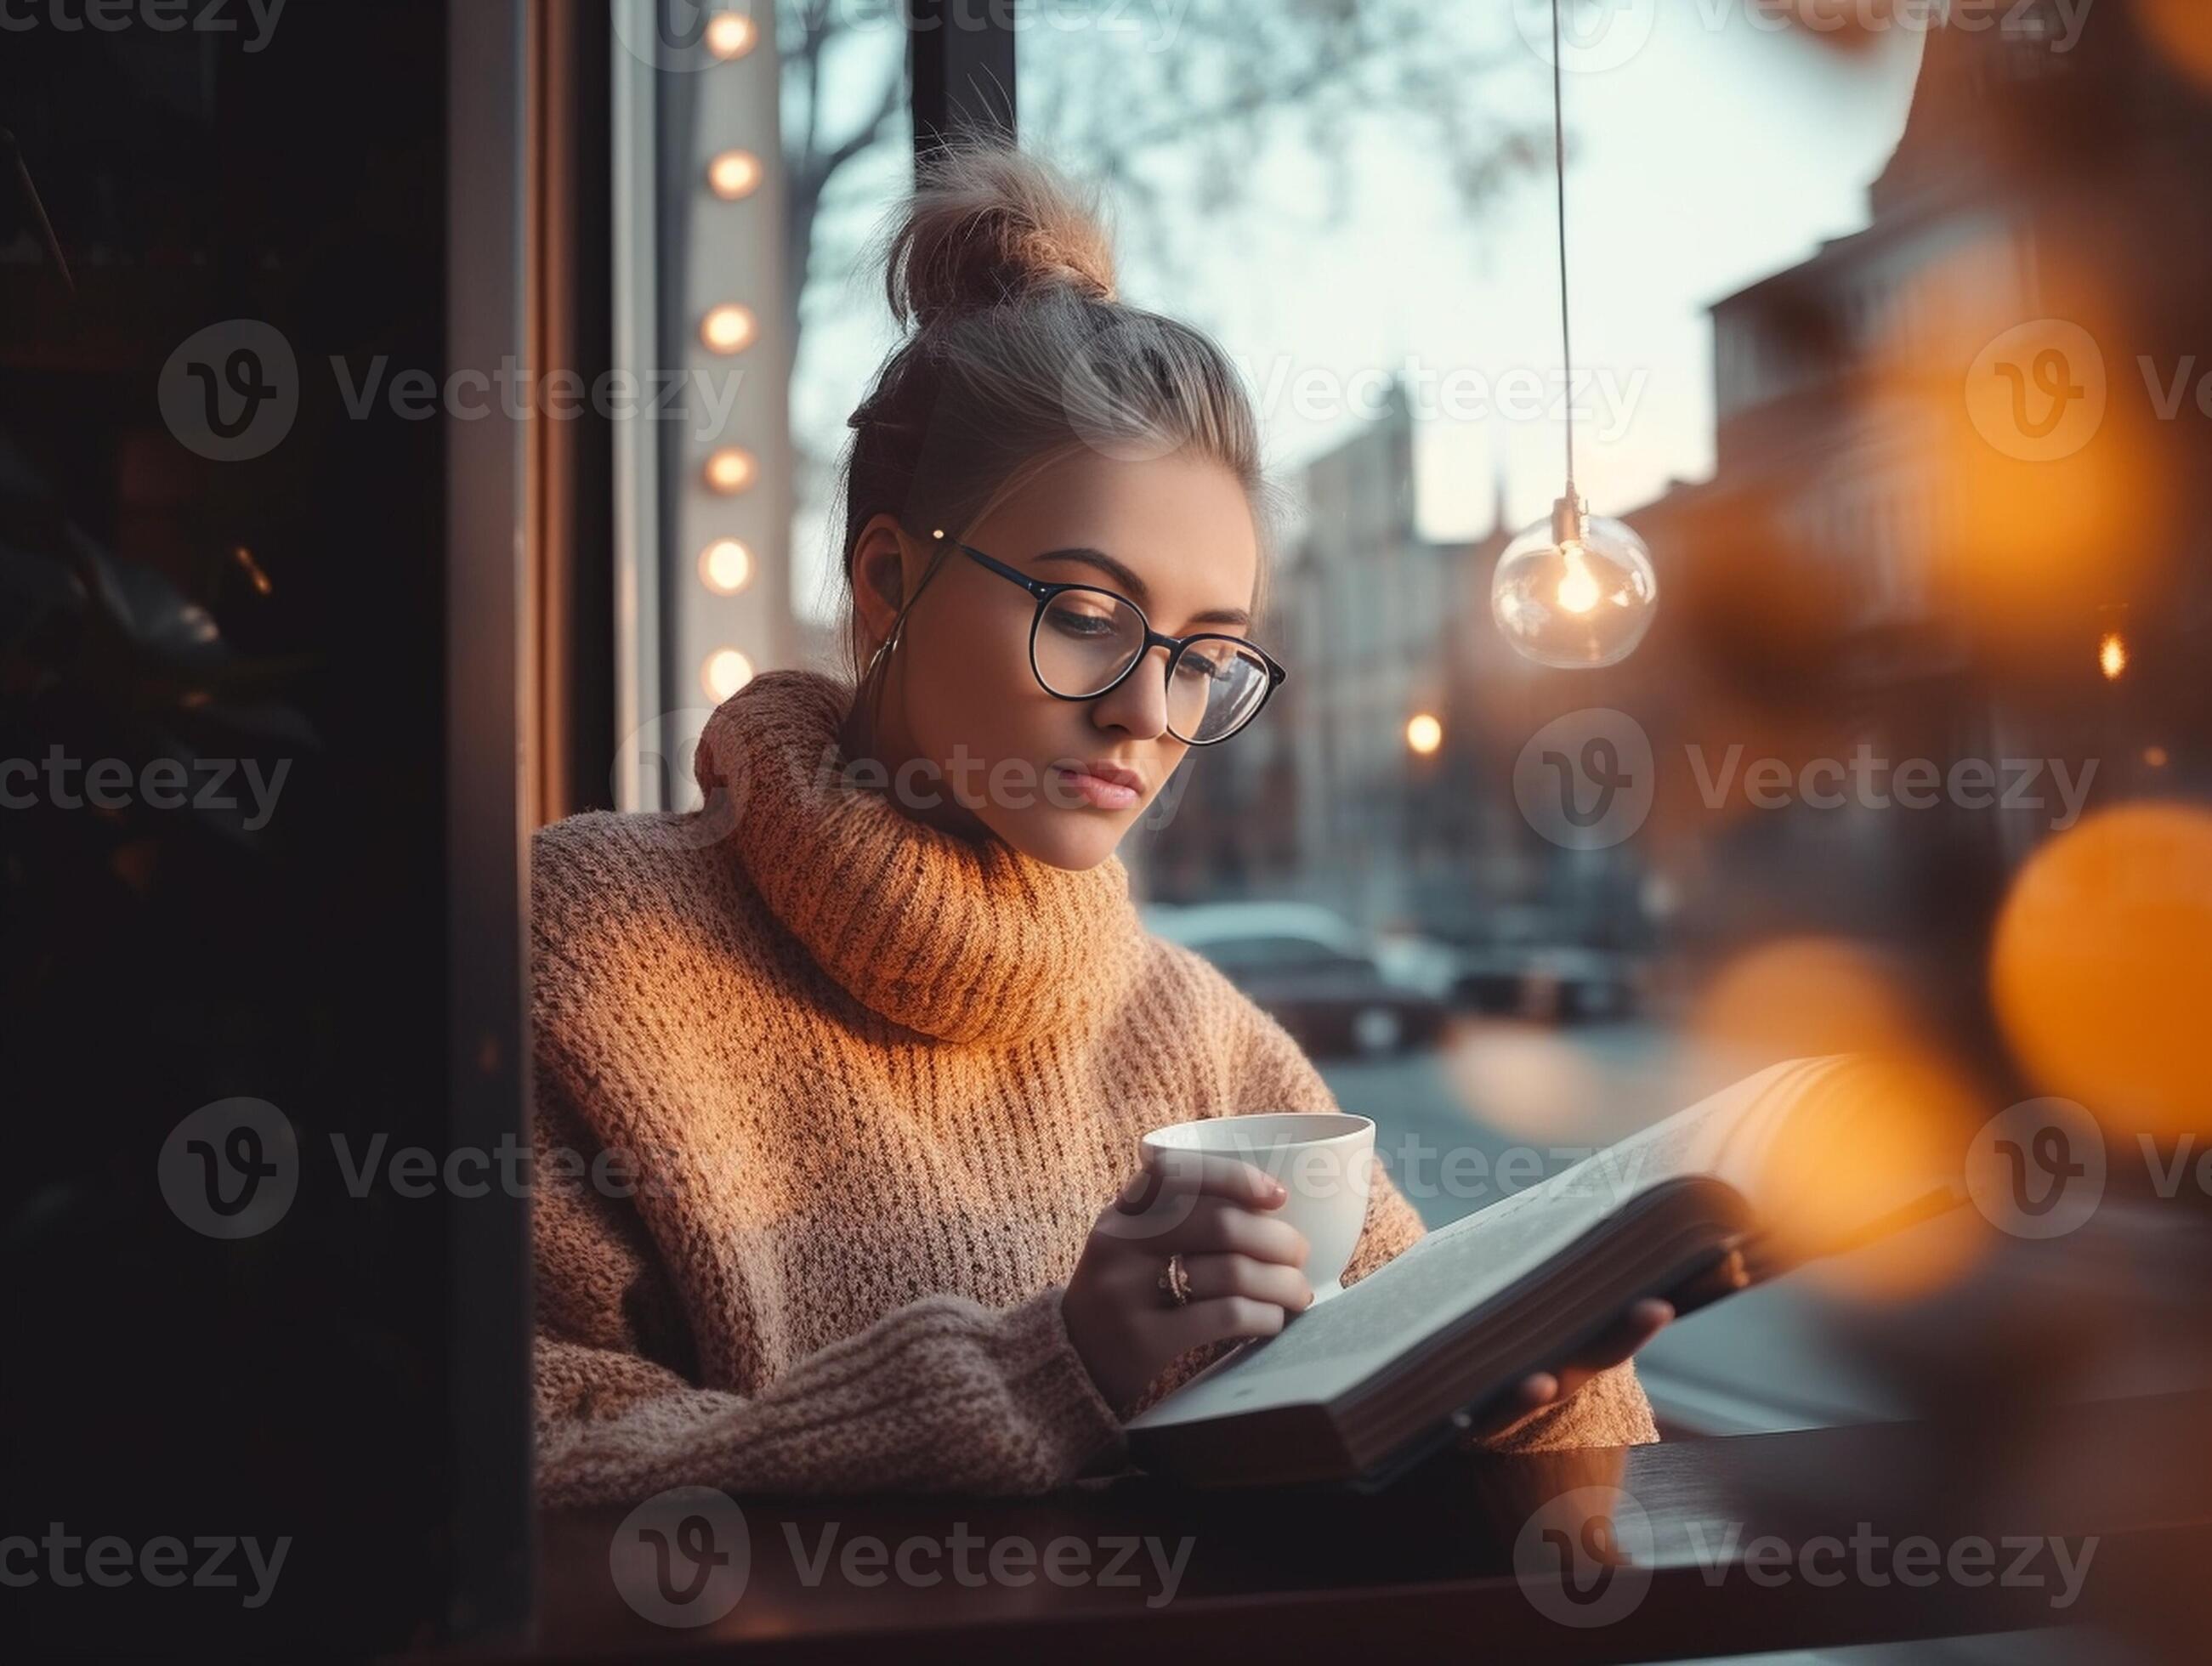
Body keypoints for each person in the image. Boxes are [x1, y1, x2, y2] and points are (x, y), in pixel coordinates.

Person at [530, 138, 1668, 1508]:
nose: (1149, 711)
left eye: (1204, 655)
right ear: (887, 585)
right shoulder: (592, 949)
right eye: (1084, 616)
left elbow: (1396, 1414)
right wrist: (1051, 1368)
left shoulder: (1200, 1038)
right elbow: (507, 1471)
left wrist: (1514, 1397)